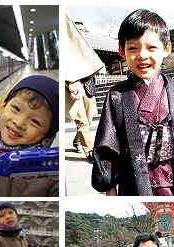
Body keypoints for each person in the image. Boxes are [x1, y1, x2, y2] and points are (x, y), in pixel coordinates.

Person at [91, 9, 174, 196]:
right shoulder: (117, 96)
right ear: (122, 51)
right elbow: (107, 147)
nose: (142, 55)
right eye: (133, 48)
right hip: (134, 187)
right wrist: (110, 190)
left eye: (151, 48)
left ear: (166, 49)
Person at [0, 75, 59, 196]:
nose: (19, 123)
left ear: (48, 133)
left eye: (35, 122)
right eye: (16, 109)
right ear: (3, 107)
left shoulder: (51, 166)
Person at [65, 11, 105, 160]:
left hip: (88, 89)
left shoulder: (88, 49)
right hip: (73, 89)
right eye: (78, 31)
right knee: (82, 122)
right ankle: (90, 151)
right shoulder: (68, 50)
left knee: (87, 121)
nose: (81, 33)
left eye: (83, 31)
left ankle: (77, 141)